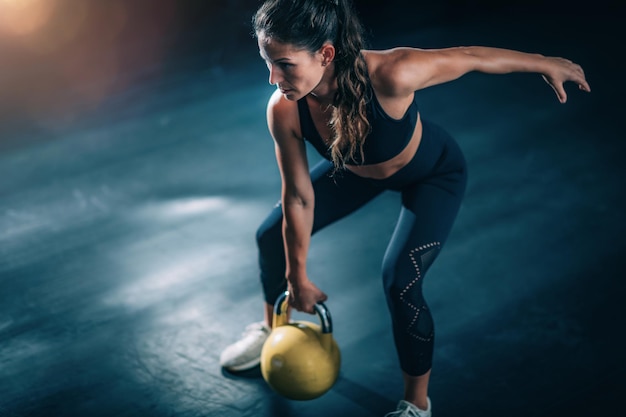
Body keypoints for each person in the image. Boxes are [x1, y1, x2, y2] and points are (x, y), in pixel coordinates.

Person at [219, 0, 591, 415]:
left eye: (285, 64)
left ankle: (417, 404)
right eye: (268, 63)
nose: (273, 78)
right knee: (270, 236)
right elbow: (298, 196)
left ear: (325, 54)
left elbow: (470, 58)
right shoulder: (284, 109)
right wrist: (298, 277)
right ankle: (274, 329)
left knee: (401, 281)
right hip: (355, 172)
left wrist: (543, 62)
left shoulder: (392, 73)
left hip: (431, 173)